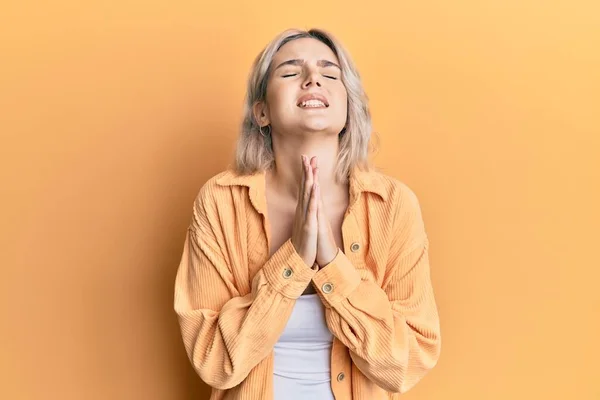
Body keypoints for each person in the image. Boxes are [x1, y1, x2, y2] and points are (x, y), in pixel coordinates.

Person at [173, 28, 441, 400]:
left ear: (349, 110)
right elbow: (214, 360)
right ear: (262, 112)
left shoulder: (393, 205)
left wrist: (331, 262)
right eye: (289, 72)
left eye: (331, 74)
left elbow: (407, 361)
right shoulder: (221, 201)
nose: (313, 78)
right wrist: (294, 260)